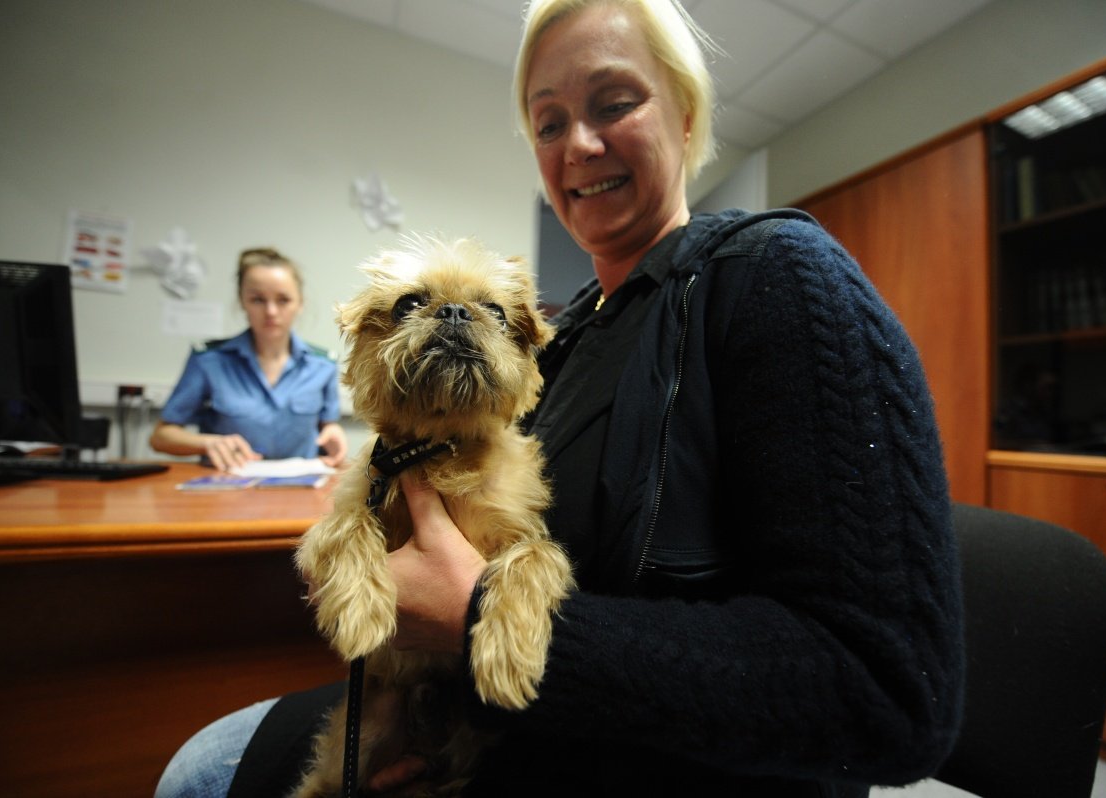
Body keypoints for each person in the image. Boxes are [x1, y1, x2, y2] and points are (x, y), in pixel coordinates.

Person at [155, 1, 964, 796]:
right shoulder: (561, 335)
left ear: (685, 114)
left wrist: (481, 615)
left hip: (637, 763)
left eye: (615, 103)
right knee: (197, 760)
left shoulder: (778, 276)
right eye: (548, 123)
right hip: (483, 726)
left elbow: (889, 695)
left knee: (201, 775)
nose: (578, 143)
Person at [149, 247, 348, 472]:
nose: (271, 311)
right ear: (242, 302)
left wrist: (334, 432)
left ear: (299, 303)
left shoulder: (323, 365)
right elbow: (160, 436)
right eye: (257, 300)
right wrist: (208, 443)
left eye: (283, 300)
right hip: (227, 490)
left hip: (300, 490)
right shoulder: (209, 360)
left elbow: (328, 426)